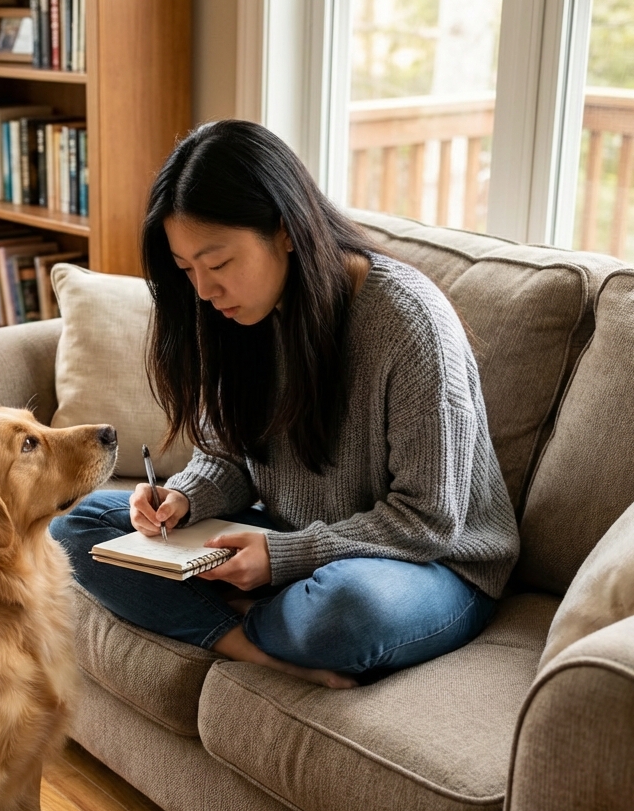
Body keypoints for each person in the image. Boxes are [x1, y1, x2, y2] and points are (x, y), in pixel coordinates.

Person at [50, 120, 520, 688]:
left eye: (218, 264)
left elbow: (428, 521)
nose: (202, 291)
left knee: (343, 612)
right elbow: (228, 455)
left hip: (433, 564)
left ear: (286, 231)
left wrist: (283, 556)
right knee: (79, 530)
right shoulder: (237, 317)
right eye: (186, 269)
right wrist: (182, 499)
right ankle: (255, 644)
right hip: (292, 535)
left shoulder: (409, 323)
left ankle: (248, 617)